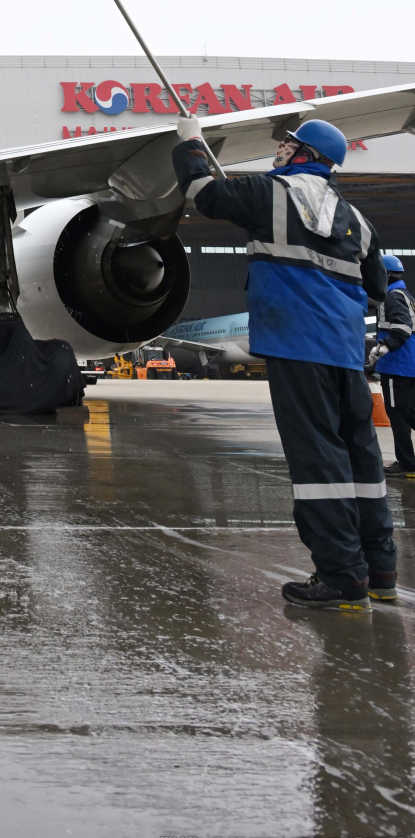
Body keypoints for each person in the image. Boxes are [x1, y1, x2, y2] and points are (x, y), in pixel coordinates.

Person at [173, 116, 395, 610]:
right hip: (345, 353)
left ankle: (341, 576)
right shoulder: (358, 222)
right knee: (361, 458)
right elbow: (378, 287)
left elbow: (206, 192)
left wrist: (190, 143)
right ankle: (380, 568)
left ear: (303, 154)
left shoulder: (269, 193)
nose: (280, 151)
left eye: (288, 145)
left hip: (296, 345)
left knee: (318, 461)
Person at [371, 254, 415, 482]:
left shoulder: (392, 297)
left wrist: (385, 346)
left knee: (398, 416)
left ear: (385, 275)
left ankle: (408, 465)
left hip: (398, 366)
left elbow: (403, 328)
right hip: (409, 365)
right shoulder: (404, 294)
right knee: (411, 415)